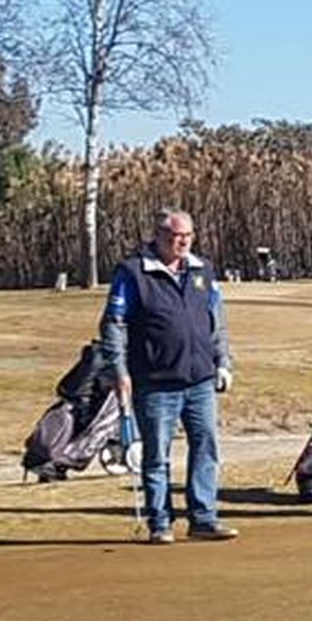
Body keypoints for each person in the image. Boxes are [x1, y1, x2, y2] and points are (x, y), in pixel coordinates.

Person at [101, 208, 237, 544]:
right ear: (160, 236)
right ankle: (160, 522)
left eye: (188, 236)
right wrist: (119, 370)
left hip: (200, 379)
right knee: (156, 456)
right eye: (177, 236)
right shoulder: (133, 272)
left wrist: (223, 362)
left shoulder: (202, 270)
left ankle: (203, 517)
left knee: (205, 448)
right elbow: (114, 324)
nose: (183, 242)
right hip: (156, 382)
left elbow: (216, 321)